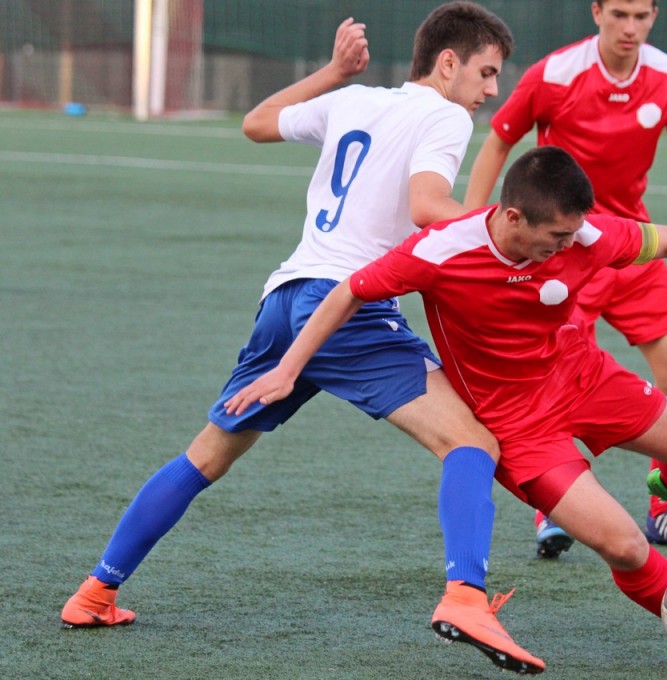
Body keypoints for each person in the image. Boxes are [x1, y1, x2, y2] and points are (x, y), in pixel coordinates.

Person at [59, 4, 545, 674]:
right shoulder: (445, 116)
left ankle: (94, 593)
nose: (492, 89)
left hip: (286, 299)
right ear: (448, 62)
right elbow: (429, 207)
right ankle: (465, 598)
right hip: (349, 308)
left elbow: (256, 123)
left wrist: (334, 71)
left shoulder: (353, 99)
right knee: (472, 443)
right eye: (486, 73)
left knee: (205, 457)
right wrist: (509, 236)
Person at [225, 146, 667, 674]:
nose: (569, 245)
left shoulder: (583, 235)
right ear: (513, 217)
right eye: (557, 236)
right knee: (623, 545)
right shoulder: (441, 250)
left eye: (573, 233)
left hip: (584, 377)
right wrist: (289, 368)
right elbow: (348, 291)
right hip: (519, 428)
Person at [465, 0, 667, 557]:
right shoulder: (555, 74)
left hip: (631, 247)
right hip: (563, 254)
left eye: (641, 16)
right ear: (596, 11)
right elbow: (499, 139)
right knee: (561, 384)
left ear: (655, 16)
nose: (630, 27)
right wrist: (471, 225)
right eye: (619, 13)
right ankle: (556, 506)